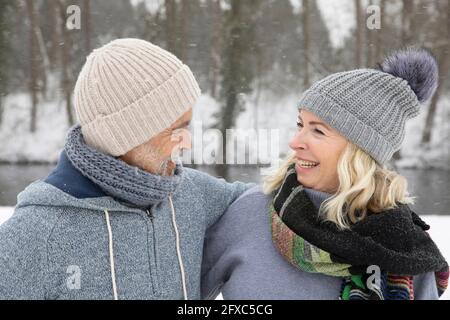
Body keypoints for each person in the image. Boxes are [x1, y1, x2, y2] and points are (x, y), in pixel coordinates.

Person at [0, 39, 250, 300]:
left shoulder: (192, 194)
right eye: (177, 129)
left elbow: (269, 200)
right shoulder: (36, 234)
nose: (187, 143)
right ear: (127, 136)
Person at [201, 47, 449, 300]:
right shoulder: (251, 214)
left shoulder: (405, 249)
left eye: (318, 131)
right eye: (300, 125)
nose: (295, 142)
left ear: (359, 152)